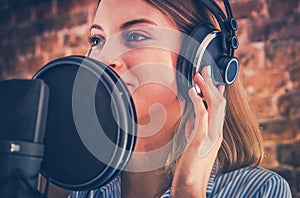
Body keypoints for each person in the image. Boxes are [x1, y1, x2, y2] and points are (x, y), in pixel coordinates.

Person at [65, 0, 292, 197]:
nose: (105, 58)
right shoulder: (87, 189)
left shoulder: (261, 191)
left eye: (136, 36)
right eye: (97, 40)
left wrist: (189, 191)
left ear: (199, 57)